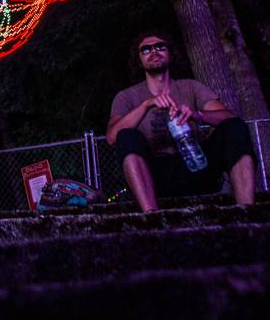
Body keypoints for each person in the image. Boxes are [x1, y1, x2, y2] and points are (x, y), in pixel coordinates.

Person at [106, 30, 256, 212]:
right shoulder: (126, 97)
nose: (154, 51)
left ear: (170, 53)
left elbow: (230, 118)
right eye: (146, 49)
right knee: (126, 136)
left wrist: (198, 115)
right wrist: (146, 105)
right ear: (139, 59)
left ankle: (247, 211)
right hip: (156, 175)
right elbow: (112, 137)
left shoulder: (191, 87)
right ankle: (152, 217)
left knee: (235, 127)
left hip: (195, 165)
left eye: (160, 46)